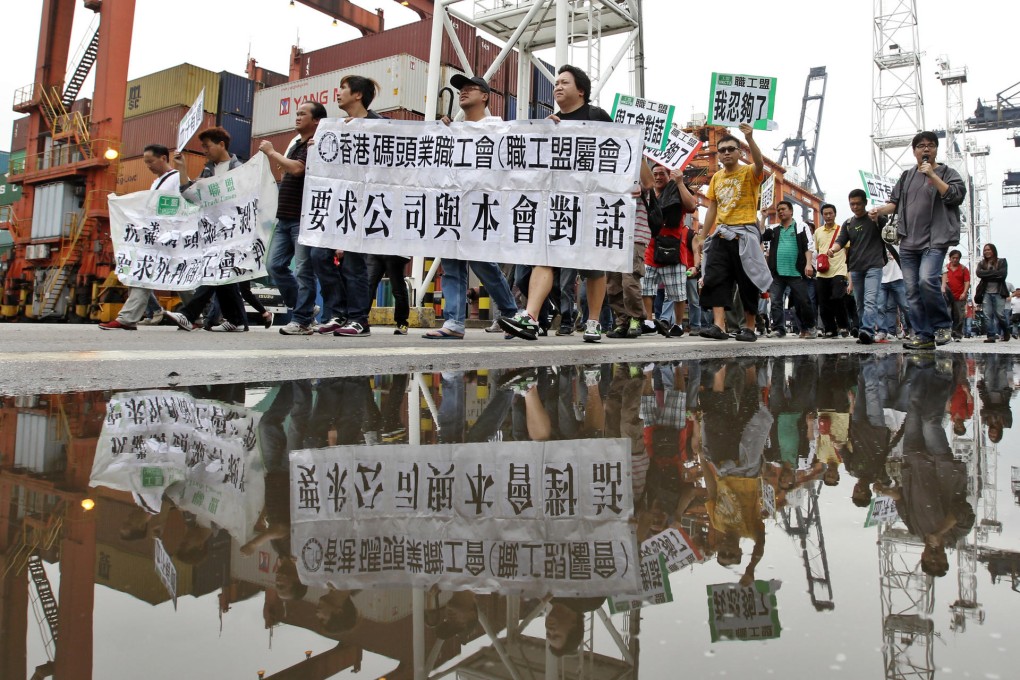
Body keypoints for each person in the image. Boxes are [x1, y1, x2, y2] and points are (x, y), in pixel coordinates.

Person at [500, 65, 612, 343]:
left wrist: (633, 185)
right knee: (546, 256)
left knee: (593, 265)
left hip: (592, 202)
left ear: (581, 90)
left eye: (565, 82)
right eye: (556, 83)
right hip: (559, 203)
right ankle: (531, 316)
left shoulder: (597, 116)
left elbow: (621, 152)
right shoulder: (551, 123)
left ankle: (594, 322)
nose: (558, 87)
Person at [422, 74, 519, 339]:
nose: (463, 92)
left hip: (483, 206)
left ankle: (510, 314)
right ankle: (454, 322)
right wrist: (443, 132)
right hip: (453, 204)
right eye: (461, 89)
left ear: (485, 96)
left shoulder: (497, 127)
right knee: (451, 263)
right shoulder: (452, 129)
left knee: (483, 264)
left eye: (470, 88)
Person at [869, 131, 967, 350]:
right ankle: (923, 334)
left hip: (935, 240)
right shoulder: (906, 176)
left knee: (926, 280)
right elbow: (894, 203)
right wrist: (878, 211)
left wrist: (932, 175)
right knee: (911, 289)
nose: (926, 149)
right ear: (914, 151)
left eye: (931, 145)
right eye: (921, 146)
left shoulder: (947, 173)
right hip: (908, 242)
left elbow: (955, 196)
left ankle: (942, 325)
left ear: (936, 150)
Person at [165, 127, 248, 332]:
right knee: (222, 276)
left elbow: (246, 197)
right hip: (213, 231)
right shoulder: (208, 169)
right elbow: (189, 194)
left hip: (234, 231)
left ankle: (188, 314)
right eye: (202, 146)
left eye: (207, 145)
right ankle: (237, 321)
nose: (204, 150)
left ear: (221, 144)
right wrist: (182, 169)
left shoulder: (241, 168)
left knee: (214, 271)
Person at [697, 124, 772, 342]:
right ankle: (719, 326)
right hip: (721, 234)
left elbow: (760, 164)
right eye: (722, 150)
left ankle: (749, 328)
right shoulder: (716, 178)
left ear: (740, 152)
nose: (727, 153)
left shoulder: (749, 172)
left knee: (747, 280)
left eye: (731, 149)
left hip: (745, 234)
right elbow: (712, 206)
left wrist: (750, 137)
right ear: (718, 154)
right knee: (715, 277)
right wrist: (703, 235)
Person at [261, 101, 326, 335]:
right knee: (274, 265)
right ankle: (306, 309)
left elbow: (298, 170)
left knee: (303, 270)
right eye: (296, 114)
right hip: (284, 217)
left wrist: (271, 152)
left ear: (317, 120)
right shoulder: (296, 144)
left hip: (303, 218)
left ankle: (302, 319)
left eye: (302, 114)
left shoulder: (316, 143)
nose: (297, 117)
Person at [328, 75, 386, 337]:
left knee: (354, 263)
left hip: (366, 203)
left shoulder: (380, 124)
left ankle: (359, 319)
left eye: (343, 88)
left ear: (358, 95)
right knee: (321, 257)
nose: (338, 93)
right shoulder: (337, 127)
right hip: (340, 202)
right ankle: (341, 313)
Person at [100, 144, 179, 330]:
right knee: (143, 272)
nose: (148, 166)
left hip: (170, 237)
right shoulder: (156, 183)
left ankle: (128, 318)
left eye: (151, 161)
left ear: (164, 158)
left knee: (151, 273)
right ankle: (194, 315)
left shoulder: (175, 178)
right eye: (145, 163)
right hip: (155, 236)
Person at [827, 189, 888, 344]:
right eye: (852, 204)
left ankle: (867, 331)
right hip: (856, 268)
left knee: (870, 300)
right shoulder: (848, 224)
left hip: (874, 266)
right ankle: (864, 330)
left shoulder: (875, 218)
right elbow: (840, 240)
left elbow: (888, 229)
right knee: (859, 302)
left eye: (858, 203)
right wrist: (833, 249)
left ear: (865, 203)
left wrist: (880, 215)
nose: (855, 207)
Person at [644, 164, 697, 336]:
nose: (658, 177)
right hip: (651, 246)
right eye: (655, 174)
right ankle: (648, 321)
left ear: (669, 176)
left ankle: (679, 324)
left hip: (673, 247)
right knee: (646, 287)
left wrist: (680, 183)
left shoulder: (676, 191)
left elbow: (691, 207)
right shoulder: (648, 193)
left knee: (677, 291)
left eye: (662, 174)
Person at [606, 162, 656, 338]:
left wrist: (639, 152)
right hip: (612, 235)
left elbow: (650, 183)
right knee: (613, 284)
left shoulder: (637, 175)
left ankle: (636, 318)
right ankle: (622, 321)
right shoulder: (610, 177)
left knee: (630, 280)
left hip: (635, 236)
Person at [761, 200, 816, 338]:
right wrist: (763, 217)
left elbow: (808, 246)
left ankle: (810, 327)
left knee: (803, 301)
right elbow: (761, 234)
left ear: (791, 211)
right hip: (777, 273)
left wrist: (808, 264)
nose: (780, 211)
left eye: (783, 209)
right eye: (778, 209)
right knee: (775, 302)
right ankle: (779, 329)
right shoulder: (774, 229)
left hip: (796, 272)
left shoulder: (801, 226)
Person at [812, 204, 850, 338]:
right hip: (822, 271)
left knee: (837, 297)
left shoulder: (842, 230)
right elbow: (818, 250)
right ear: (822, 215)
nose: (828, 216)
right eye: (825, 214)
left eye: (830, 213)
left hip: (839, 269)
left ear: (835, 214)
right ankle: (830, 329)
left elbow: (847, 250)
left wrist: (849, 272)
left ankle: (844, 326)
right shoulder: (817, 232)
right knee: (823, 301)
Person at [976, 243, 1009, 343]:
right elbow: (979, 274)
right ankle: (991, 335)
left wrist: (987, 275)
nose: (986, 252)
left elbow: (1002, 275)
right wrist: (995, 273)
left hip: (999, 292)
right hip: (986, 292)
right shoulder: (981, 263)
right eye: (985, 250)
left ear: (993, 251)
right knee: (987, 315)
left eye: (989, 250)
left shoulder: (1002, 261)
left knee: (1000, 315)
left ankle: (1006, 331)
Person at [941, 249, 970, 341]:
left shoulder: (963, 269)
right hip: (947, 296)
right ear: (950, 258)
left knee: (959, 316)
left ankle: (957, 334)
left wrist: (964, 292)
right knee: (947, 315)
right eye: (953, 258)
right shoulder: (945, 268)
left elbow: (967, 281)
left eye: (957, 258)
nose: (955, 260)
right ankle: (947, 333)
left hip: (959, 296)